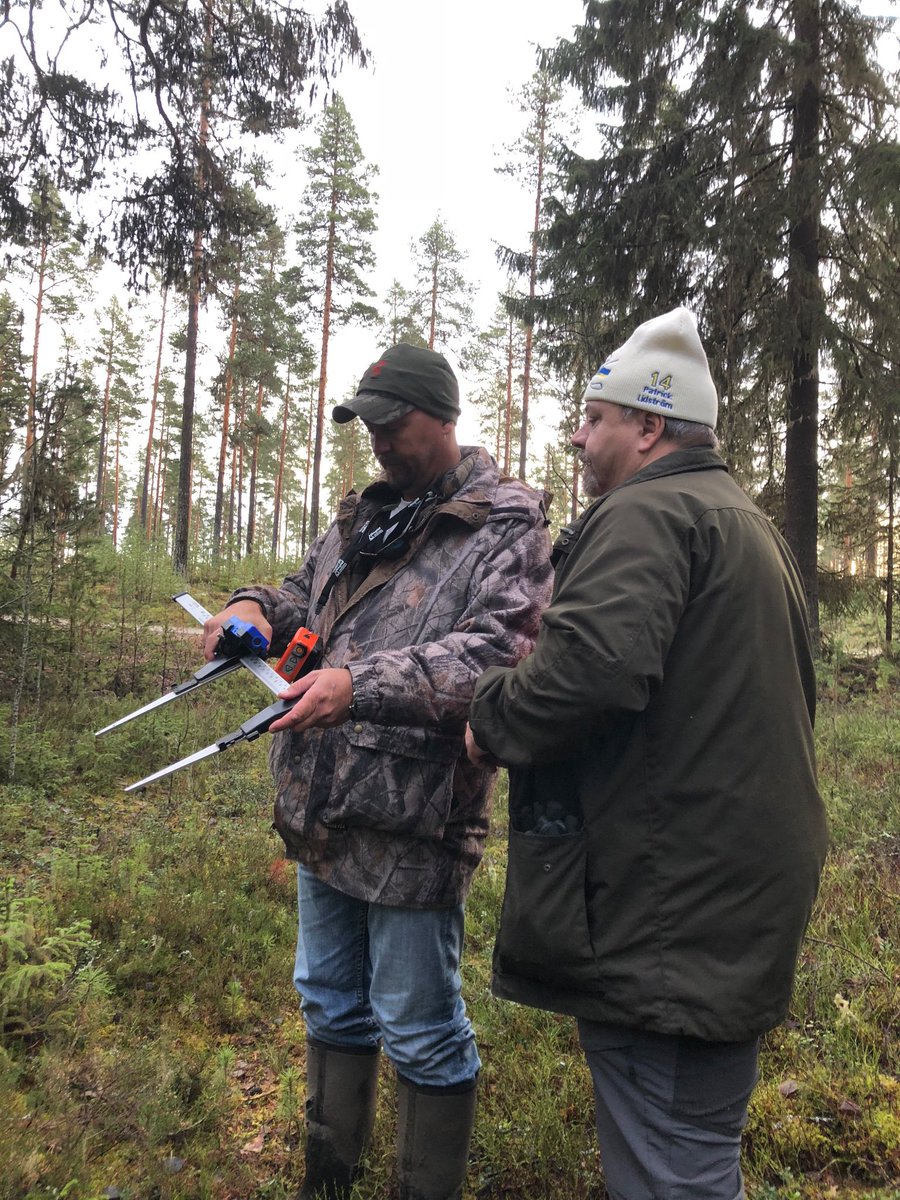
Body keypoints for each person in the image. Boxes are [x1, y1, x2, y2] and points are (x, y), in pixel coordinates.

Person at [466, 308, 829, 1200]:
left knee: (671, 1168)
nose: (580, 436)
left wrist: (491, 716)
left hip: (668, 911)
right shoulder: (743, 522)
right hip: (724, 895)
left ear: (649, 425)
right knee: (694, 1149)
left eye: (595, 418)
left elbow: (589, 671)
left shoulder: (648, 514)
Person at [202, 343, 553, 1200]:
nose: (380, 443)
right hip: (320, 809)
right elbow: (305, 592)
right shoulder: (368, 515)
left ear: (443, 415)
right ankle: (329, 1182)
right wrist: (253, 607)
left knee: (421, 1028)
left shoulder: (506, 526)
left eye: (393, 425)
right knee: (327, 1001)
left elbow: (498, 655)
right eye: (368, 427)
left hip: (412, 824)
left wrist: (358, 687)